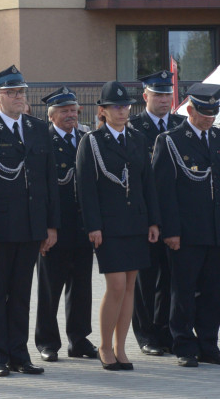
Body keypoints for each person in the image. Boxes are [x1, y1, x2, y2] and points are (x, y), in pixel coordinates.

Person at [0, 65, 59, 376]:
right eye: (12, 93)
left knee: (20, 294)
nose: (19, 97)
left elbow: (48, 182)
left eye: (22, 92)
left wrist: (51, 225)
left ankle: (19, 352)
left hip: (31, 226)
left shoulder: (37, 128)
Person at [76, 81, 160, 371]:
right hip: (108, 225)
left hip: (135, 221)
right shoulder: (93, 141)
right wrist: (93, 226)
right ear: (103, 110)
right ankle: (104, 346)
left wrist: (153, 221)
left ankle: (122, 348)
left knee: (130, 286)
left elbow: (147, 183)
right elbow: (85, 188)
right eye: (116, 106)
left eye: (125, 106)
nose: (123, 111)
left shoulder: (136, 139)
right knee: (115, 285)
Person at [152, 82, 220, 368]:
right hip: (186, 231)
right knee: (182, 290)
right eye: (204, 112)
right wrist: (171, 231)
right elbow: (163, 191)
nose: (210, 118)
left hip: (215, 230)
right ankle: (183, 344)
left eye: (214, 112)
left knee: (213, 290)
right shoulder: (170, 140)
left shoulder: (217, 137)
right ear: (189, 109)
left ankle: (208, 343)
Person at [34, 87, 98, 361]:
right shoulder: (42, 142)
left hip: (83, 227)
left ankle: (79, 339)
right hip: (55, 229)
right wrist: (46, 228)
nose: (71, 115)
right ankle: (47, 342)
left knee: (82, 287)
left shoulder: (86, 139)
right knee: (50, 289)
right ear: (51, 116)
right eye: (64, 111)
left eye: (73, 110)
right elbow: (39, 191)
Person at [128, 69, 184, 356]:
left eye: (168, 94)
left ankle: (165, 331)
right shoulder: (134, 127)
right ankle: (146, 334)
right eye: (158, 94)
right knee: (145, 279)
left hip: (174, 214)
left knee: (170, 278)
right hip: (146, 214)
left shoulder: (180, 124)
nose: (164, 100)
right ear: (145, 96)